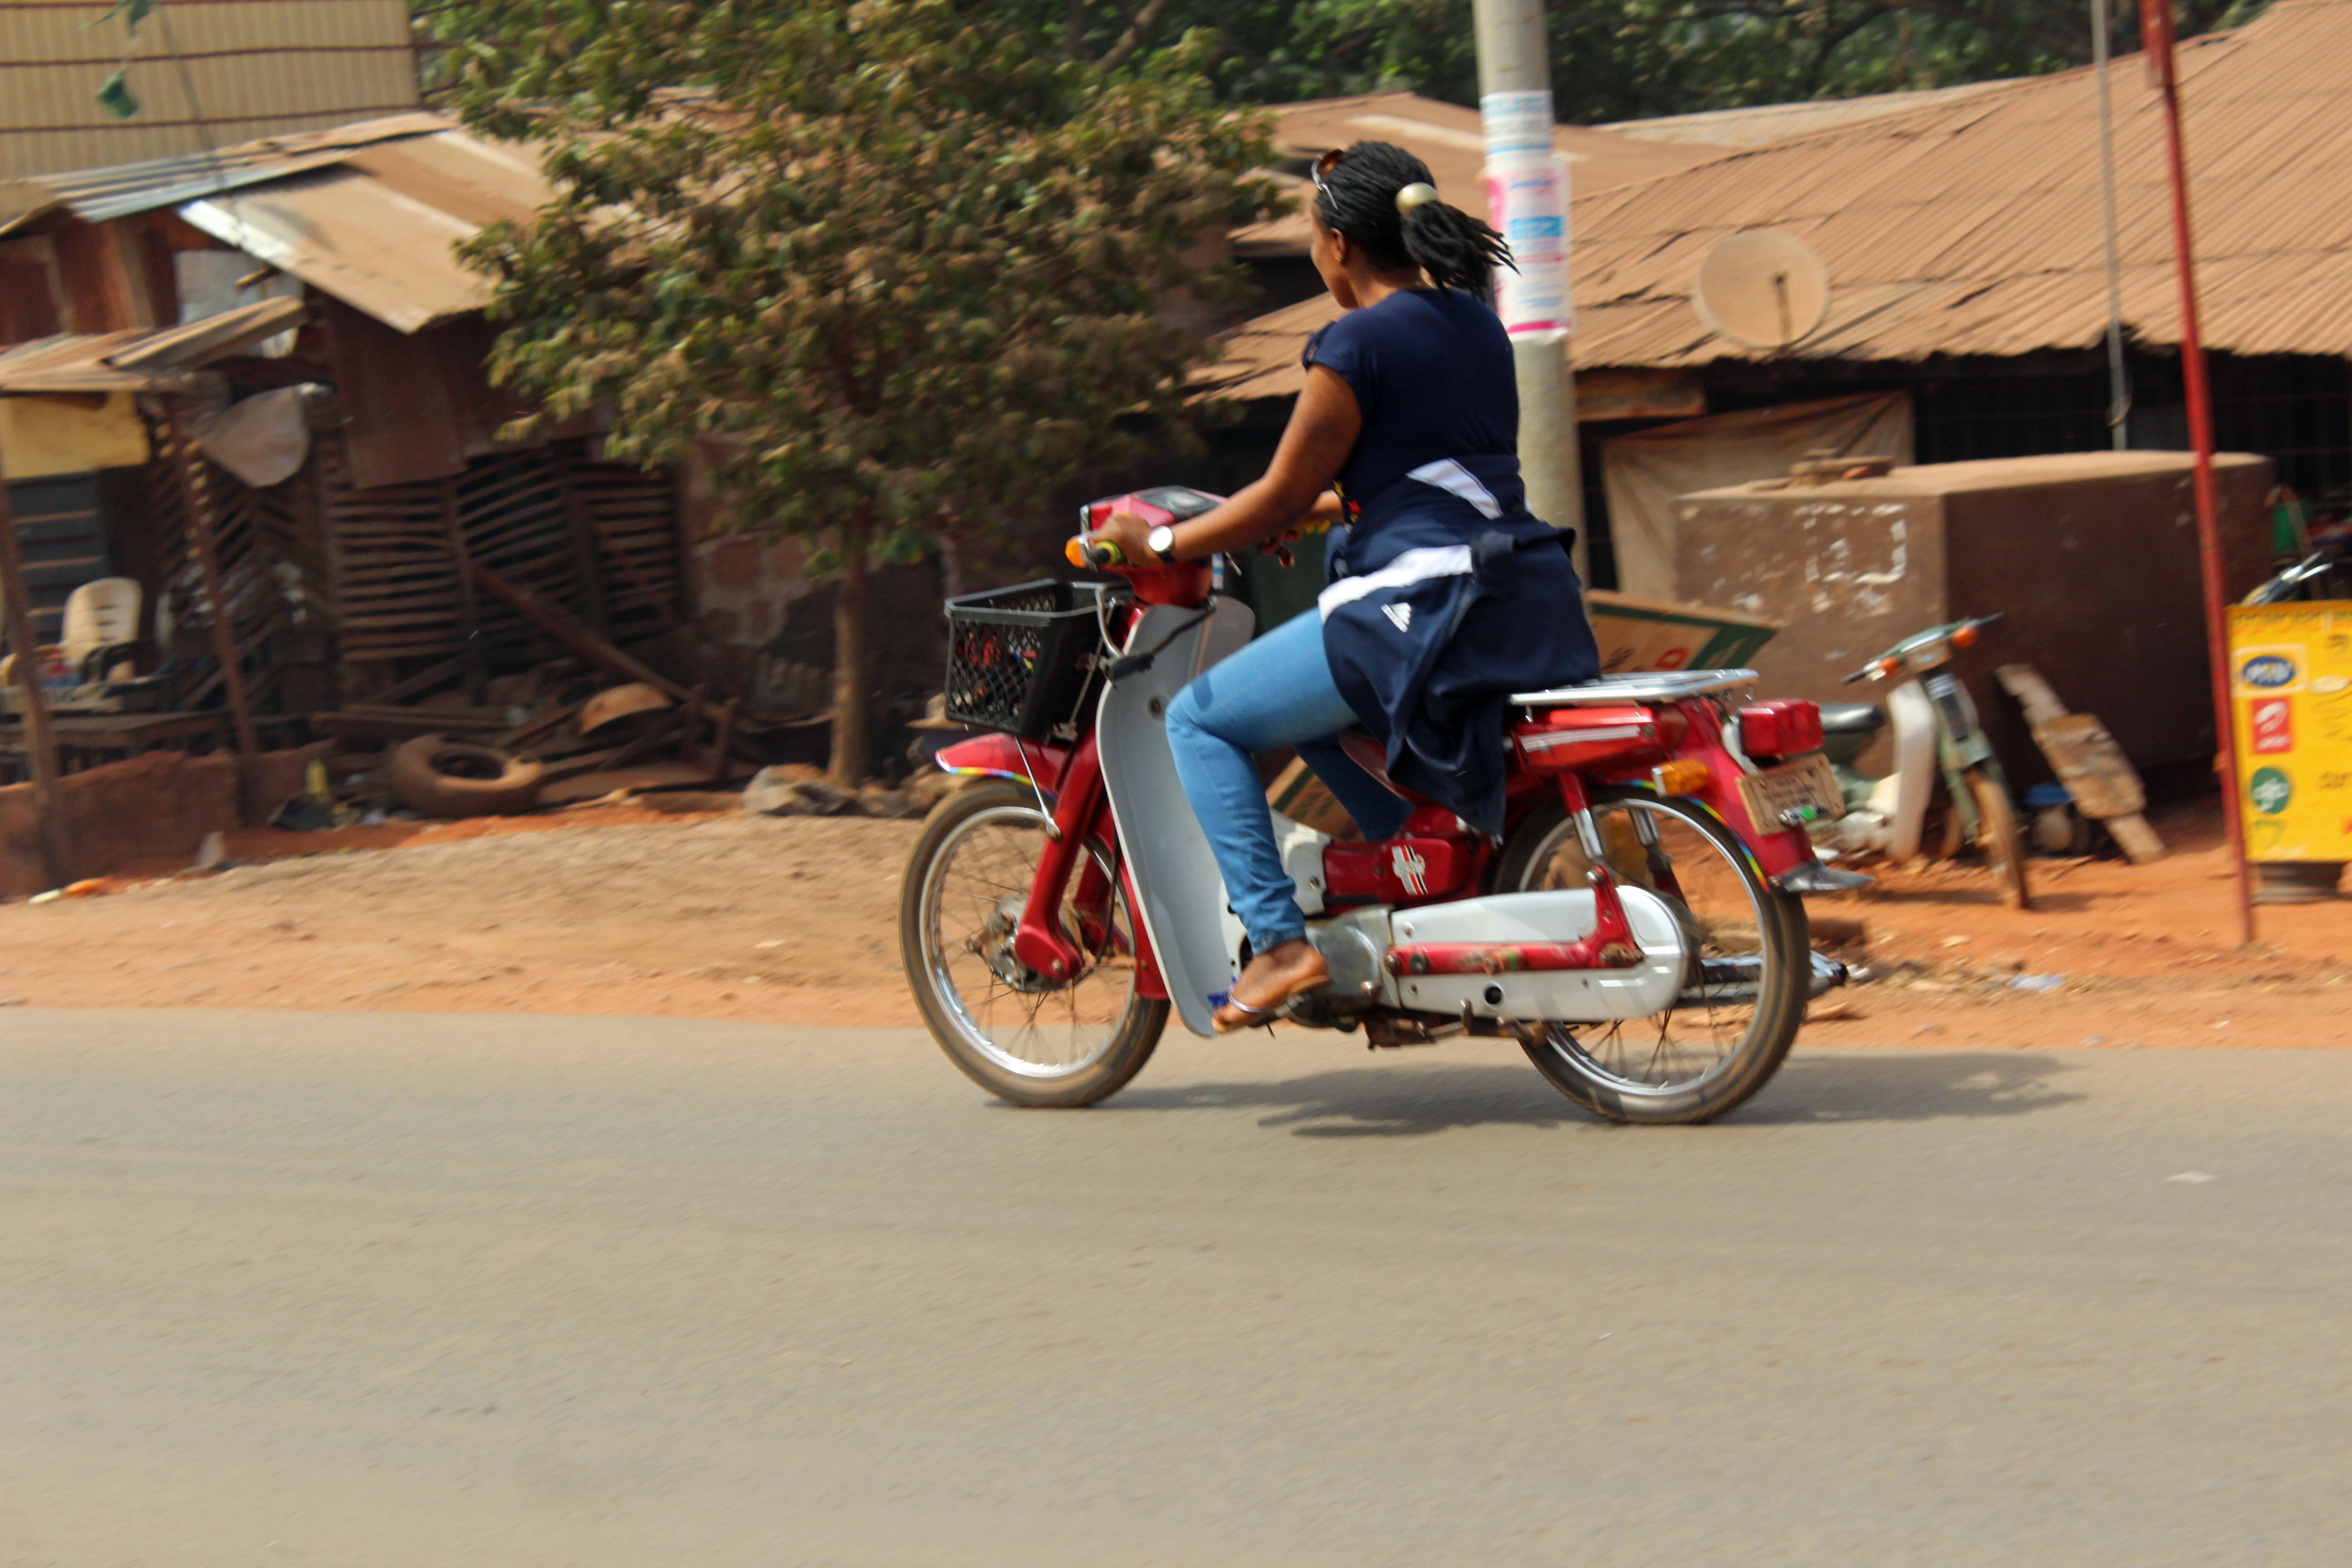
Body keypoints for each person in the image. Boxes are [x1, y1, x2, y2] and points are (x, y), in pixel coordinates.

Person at [1085, 142, 1600, 1032]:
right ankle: (1409, 877)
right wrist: (1329, 511)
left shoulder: (1354, 343)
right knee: (1302, 713)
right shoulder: (1477, 323)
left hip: (1416, 607)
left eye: (1310, 237)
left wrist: (1158, 537)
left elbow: (1275, 491)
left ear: (1335, 244)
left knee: (1205, 719)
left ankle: (1280, 944)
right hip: (1520, 592)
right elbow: (1429, 468)